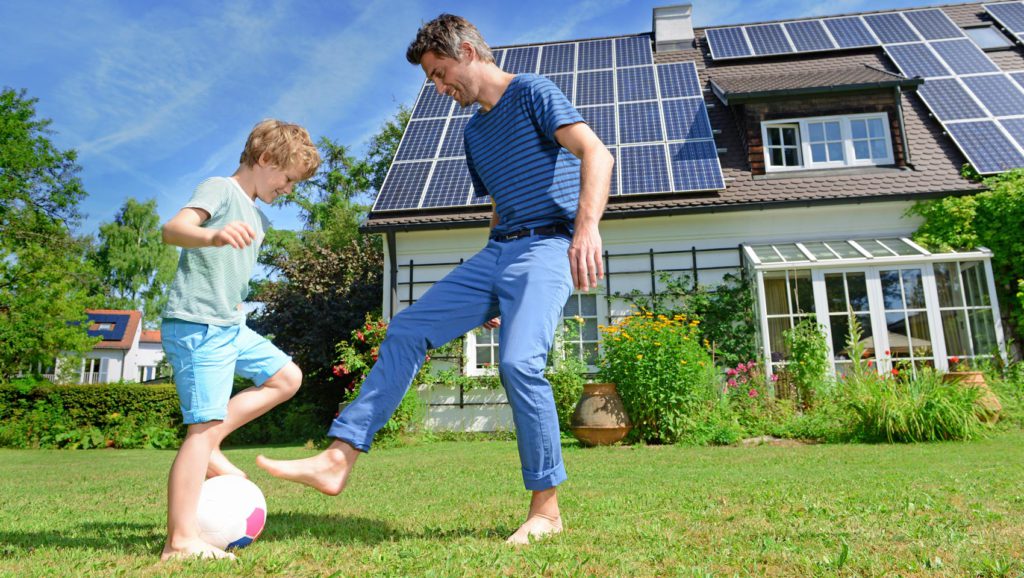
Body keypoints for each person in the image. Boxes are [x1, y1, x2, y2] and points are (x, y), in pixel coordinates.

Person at [257, 13, 612, 545]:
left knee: (518, 364)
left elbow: (596, 153)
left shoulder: (535, 92)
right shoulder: (474, 133)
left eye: (440, 73)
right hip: (500, 252)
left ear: (468, 51)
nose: (439, 87)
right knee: (406, 329)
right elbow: (499, 208)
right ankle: (338, 457)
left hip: (548, 245)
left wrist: (586, 230)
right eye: (432, 79)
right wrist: (489, 288)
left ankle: (546, 510)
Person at [159, 119, 321, 560]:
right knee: (201, 427)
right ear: (265, 159)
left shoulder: (257, 215)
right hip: (197, 324)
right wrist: (211, 234)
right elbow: (173, 229)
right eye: (287, 178)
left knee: (286, 377)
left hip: (229, 326)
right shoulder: (220, 189)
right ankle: (180, 541)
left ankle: (209, 444)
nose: (289, 189)